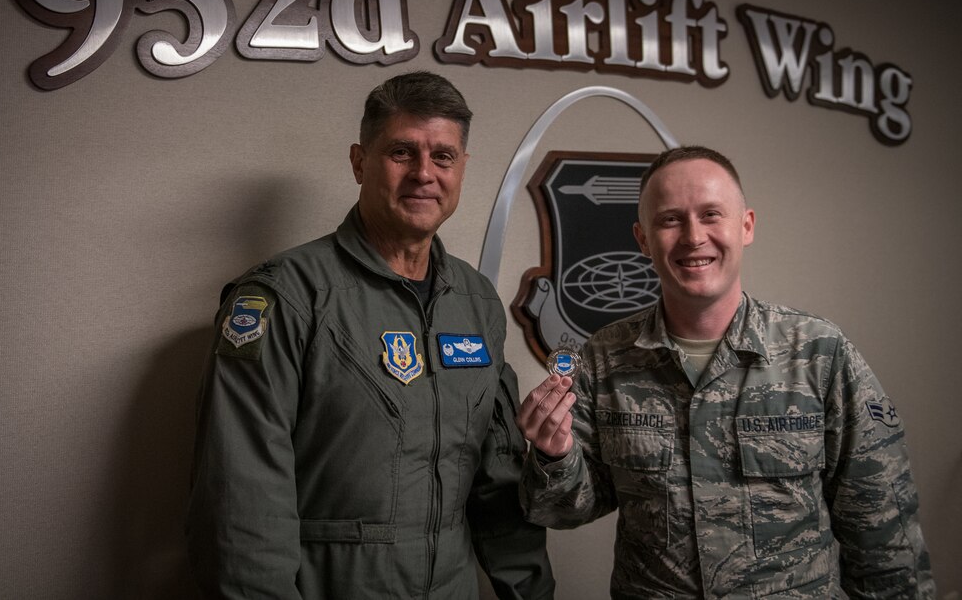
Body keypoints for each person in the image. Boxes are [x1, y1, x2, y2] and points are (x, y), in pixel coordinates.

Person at [186, 71, 555, 599]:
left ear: (462, 169)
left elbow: (498, 479)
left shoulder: (475, 304)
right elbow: (239, 506)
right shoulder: (284, 297)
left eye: (443, 157)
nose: (425, 174)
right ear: (360, 161)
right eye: (402, 153)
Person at [517, 146, 935, 598]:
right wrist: (554, 456)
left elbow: (882, 529)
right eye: (670, 219)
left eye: (711, 214)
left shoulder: (820, 354)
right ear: (642, 238)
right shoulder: (605, 357)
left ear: (746, 226)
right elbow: (565, 509)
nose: (694, 236)